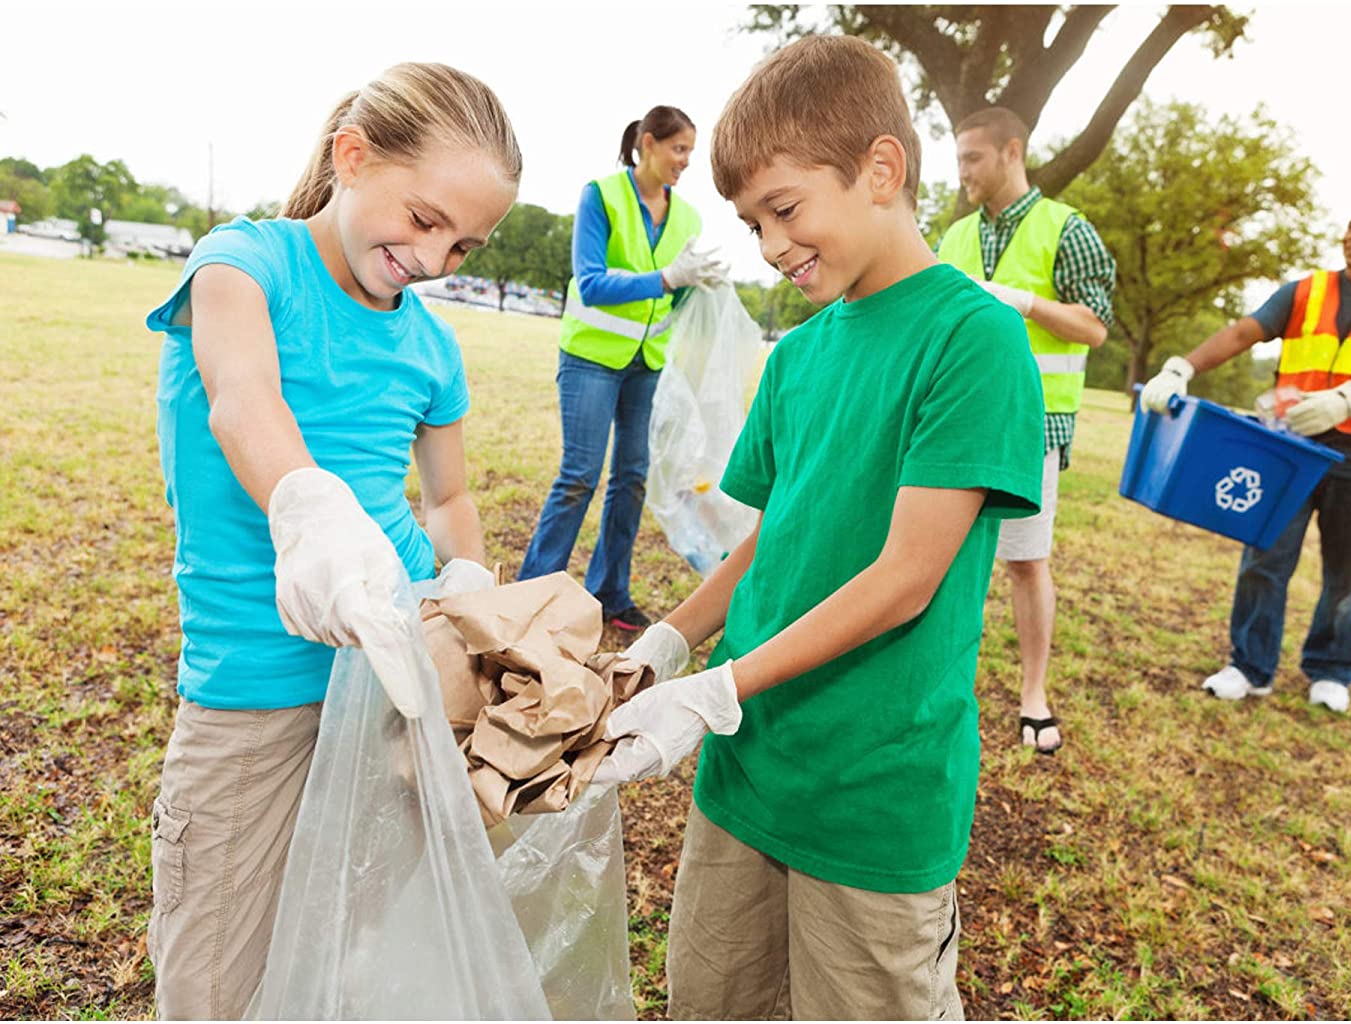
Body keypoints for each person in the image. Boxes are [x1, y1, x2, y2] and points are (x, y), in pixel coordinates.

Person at [592, 35, 1044, 1019]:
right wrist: (672, 645)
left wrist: (718, 688)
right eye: (752, 223)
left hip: (871, 794)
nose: (770, 246)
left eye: (785, 210)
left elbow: (906, 578)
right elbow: (769, 543)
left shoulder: (972, 338)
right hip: (747, 775)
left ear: (881, 170)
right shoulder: (796, 355)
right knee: (714, 997)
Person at [143, 63, 520, 1018]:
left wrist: (463, 583)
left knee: (359, 962)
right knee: (218, 976)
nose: (436, 259)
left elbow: (448, 498)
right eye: (426, 219)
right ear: (352, 156)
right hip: (259, 696)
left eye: (465, 243)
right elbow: (242, 399)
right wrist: (308, 516)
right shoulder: (244, 264)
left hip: (396, 696)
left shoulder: (432, 345)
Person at [1140, 195, 1351, 713]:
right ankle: (1250, 666)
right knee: (1264, 556)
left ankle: (1330, 669)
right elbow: (1245, 332)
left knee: (1347, 571)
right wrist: (1182, 366)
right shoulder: (1307, 291)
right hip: (1289, 447)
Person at [937, 106, 1116, 755]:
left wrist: (1027, 302)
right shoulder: (954, 235)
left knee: (1025, 562)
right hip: (957, 419)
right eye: (958, 160)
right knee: (943, 560)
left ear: (1013, 152)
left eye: (972, 159)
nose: (962, 174)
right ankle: (942, 681)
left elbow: (1095, 326)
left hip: (1032, 426)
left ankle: (1033, 694)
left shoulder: (1067, 229)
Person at [518, 106, 726, 632]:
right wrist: (665, 277)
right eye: (678, 149)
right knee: (579, 476)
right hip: (591, 356)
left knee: (631, 478)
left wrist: (694, 286)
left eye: (690, 153)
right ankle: (531, 595)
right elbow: (590, 281)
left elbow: (671, 297)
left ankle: (609, 592)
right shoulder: (602, 196)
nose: (685, 162)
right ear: (648, 145)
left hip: (646, 364)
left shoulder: (688, 218)